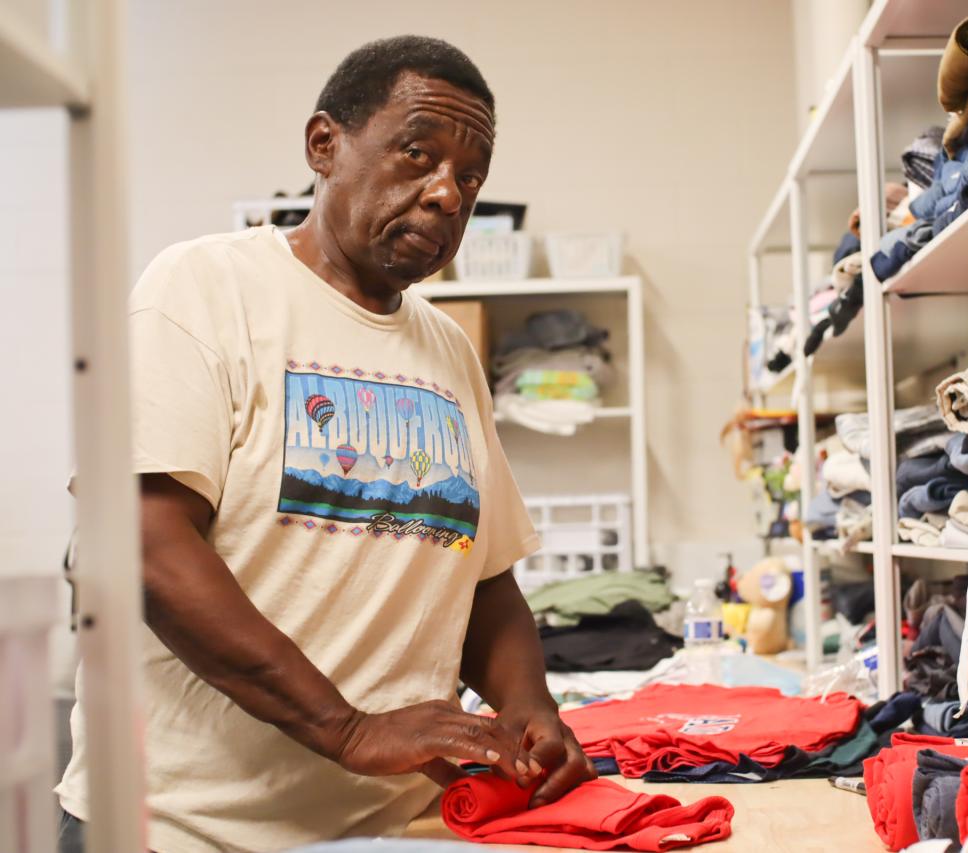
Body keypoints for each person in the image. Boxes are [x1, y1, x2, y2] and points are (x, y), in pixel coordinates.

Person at [55, 35, 595, 853]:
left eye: (471, 176)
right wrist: (346, 730)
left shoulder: (449, 351)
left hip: (373, 831)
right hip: (174, 832)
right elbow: (141, 543)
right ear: (324, 145)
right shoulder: (203, 288)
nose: (448, 194)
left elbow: (484, 583)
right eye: (418, 154)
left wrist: (531, 711)